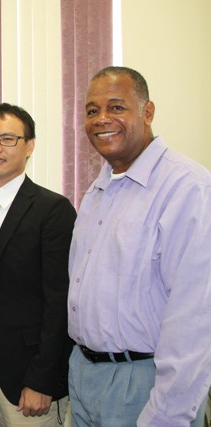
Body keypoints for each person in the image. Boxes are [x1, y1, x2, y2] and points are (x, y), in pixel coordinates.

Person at [68, 66, 211, 426]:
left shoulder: (187, 188)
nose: (102, 119)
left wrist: (167, 415)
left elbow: (195, 322)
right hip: (84, 375)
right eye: (91, 110)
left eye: (116, 107)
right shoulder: (98, 190)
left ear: (147, 113)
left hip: (145, 384)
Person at [0, 103, 76, 427]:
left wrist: (42, 380)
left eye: (7, 139)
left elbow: (61, 302)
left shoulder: (52, 210)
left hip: (27, 380)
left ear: (29, 146)